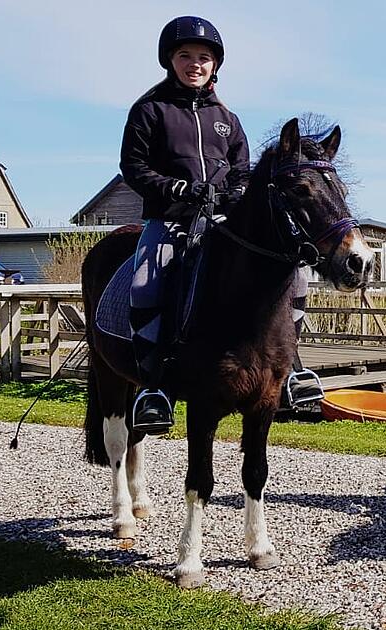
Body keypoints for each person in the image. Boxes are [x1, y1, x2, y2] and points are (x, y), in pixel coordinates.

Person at [120, 16, 250, 434]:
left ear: (215, 65)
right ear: (170, 60)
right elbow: (133, 167)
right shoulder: (149, 109)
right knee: (145, 283)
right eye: (186, 56)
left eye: (204, 57)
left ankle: (291, 372)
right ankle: (153, 385)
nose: (195, 64)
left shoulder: (227, 118)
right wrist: (176, 189)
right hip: (170, 221)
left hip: (221, 222)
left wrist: (232, 194)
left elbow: (242, 171)